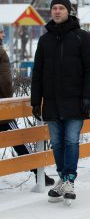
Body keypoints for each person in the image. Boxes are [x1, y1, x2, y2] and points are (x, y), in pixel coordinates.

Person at [31, 0, 90, 203]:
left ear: (69, 11)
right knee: (57, 143)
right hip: (51, 102)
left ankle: (69, 179)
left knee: (70, 140)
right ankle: (62, 178)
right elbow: (38, 72)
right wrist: (36, 101)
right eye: (54, 8)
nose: (57, 11)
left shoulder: (82, 37)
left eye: (61, 8)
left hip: (76, 100)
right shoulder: (44, 40)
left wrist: (88, 96)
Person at [0, 24, 55, 186]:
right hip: (2, 108)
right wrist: (7, 101)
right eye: (1, 32)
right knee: (20, 140)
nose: (3, 35)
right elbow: (5, 82)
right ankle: (39, 174)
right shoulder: (1, 53)